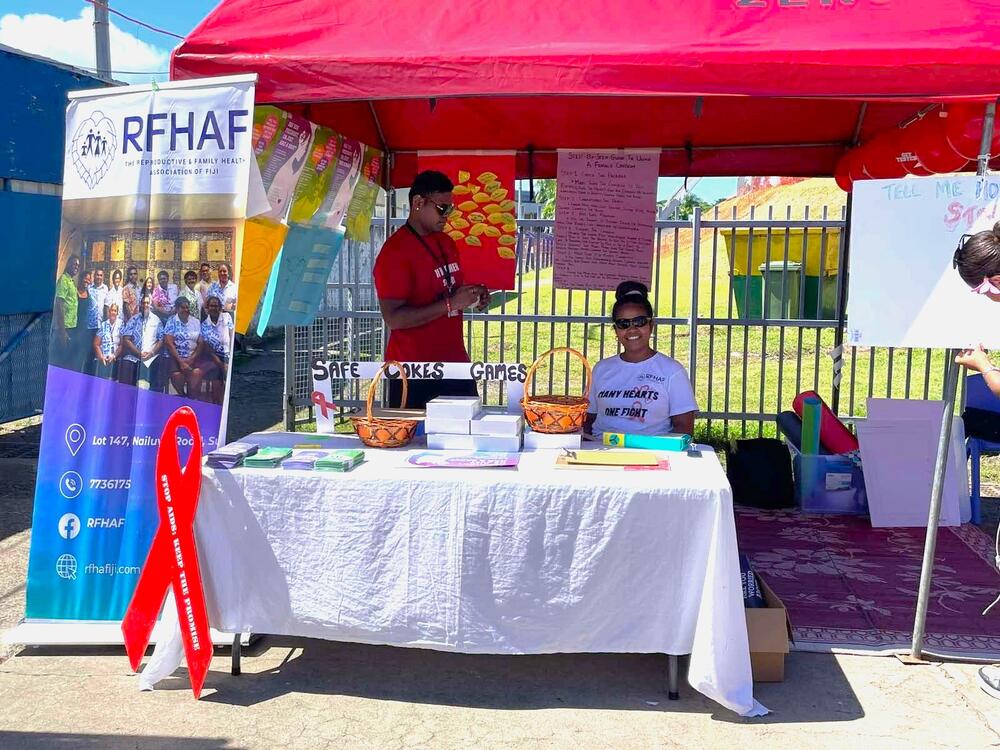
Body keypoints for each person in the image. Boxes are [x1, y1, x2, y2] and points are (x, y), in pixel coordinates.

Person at [372, 170, 489, 409]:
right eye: (442, 208)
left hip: (455, 363)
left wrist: (473, 297)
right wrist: (450, 304)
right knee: (412, 445)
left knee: (465, 438)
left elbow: (448, 291)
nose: (447, 215)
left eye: (450, 209)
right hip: (413, 371)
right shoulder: (395, 253)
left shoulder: (446, 242)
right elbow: (393, 318)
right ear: (418, 203)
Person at [584, 281, 698, 440]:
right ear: (616, 330)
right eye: (623, 324)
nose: (632, 329)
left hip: (653, 454)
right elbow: (587, 419)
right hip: (602, 451)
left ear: (651, 325)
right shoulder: (601, 369)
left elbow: (684, 427)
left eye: (639, 322)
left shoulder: (672, 371)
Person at [119, 293, 163, 390]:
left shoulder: (156, 320)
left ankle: (154, 397)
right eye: (143, 303)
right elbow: (126, 339)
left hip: (151, 356)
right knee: (126, 364)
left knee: (159, 366)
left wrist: (152, 353)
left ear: (150, 304)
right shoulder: (133, 319)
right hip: (134, 355)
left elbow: (161, 340)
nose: (145, 305)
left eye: (147, 303)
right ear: (140, 304)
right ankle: (126, 395)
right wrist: (138, 353)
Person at [195, 294, 233, 404]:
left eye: (216, 306)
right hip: (213, 356)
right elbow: (208, 348)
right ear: (207, 308)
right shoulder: (204, 325)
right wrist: (221, 364)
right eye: (211, 306)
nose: (214, 308)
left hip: (228, 353)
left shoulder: (227, 318)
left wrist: (229, 358)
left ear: (220, 307)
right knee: (217, 372)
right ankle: (218, 403)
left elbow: (231, 336)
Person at [162, 297, 202, 397]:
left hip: (193, 356)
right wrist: (181, 361)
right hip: (176, 356)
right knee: (176, 376)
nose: (186, 310)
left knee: (196, 373)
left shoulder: (196, 322)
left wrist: (191, 358)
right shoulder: (171, 321)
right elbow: (169, 343)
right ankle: (182, 395)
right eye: (182, 307)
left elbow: (201, 342)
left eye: (187, 307)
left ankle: (191, 395)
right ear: (177, 308)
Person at [51, 255, 81, 369]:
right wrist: (62, 331)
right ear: (68, 264)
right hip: (64, 328)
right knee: (61, 362)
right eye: (74, 264)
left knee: (69, 362)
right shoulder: (63, 280)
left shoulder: (71, 281)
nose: (76, 267)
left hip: (72, 326)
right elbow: (60, 305)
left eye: (78, 265)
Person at [76, 270, 100, 375]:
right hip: (77, 327)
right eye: (85, 278)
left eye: (89, 279)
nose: (87, 280)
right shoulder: (76, 291)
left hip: (88, 327)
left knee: (89, 354)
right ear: (81, 278)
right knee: (78, 354)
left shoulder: (89, 292)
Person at [92, 302, 123, 379]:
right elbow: (96, 344)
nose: (113, 312)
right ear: (109, 312)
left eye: (115, 311)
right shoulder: (103, 325)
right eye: (111, 310)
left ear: (117, 313)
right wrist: (101, 357)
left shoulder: (121, 324)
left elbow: (122, 344)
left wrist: (114, 355)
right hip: (103, 357)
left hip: (115, 357)